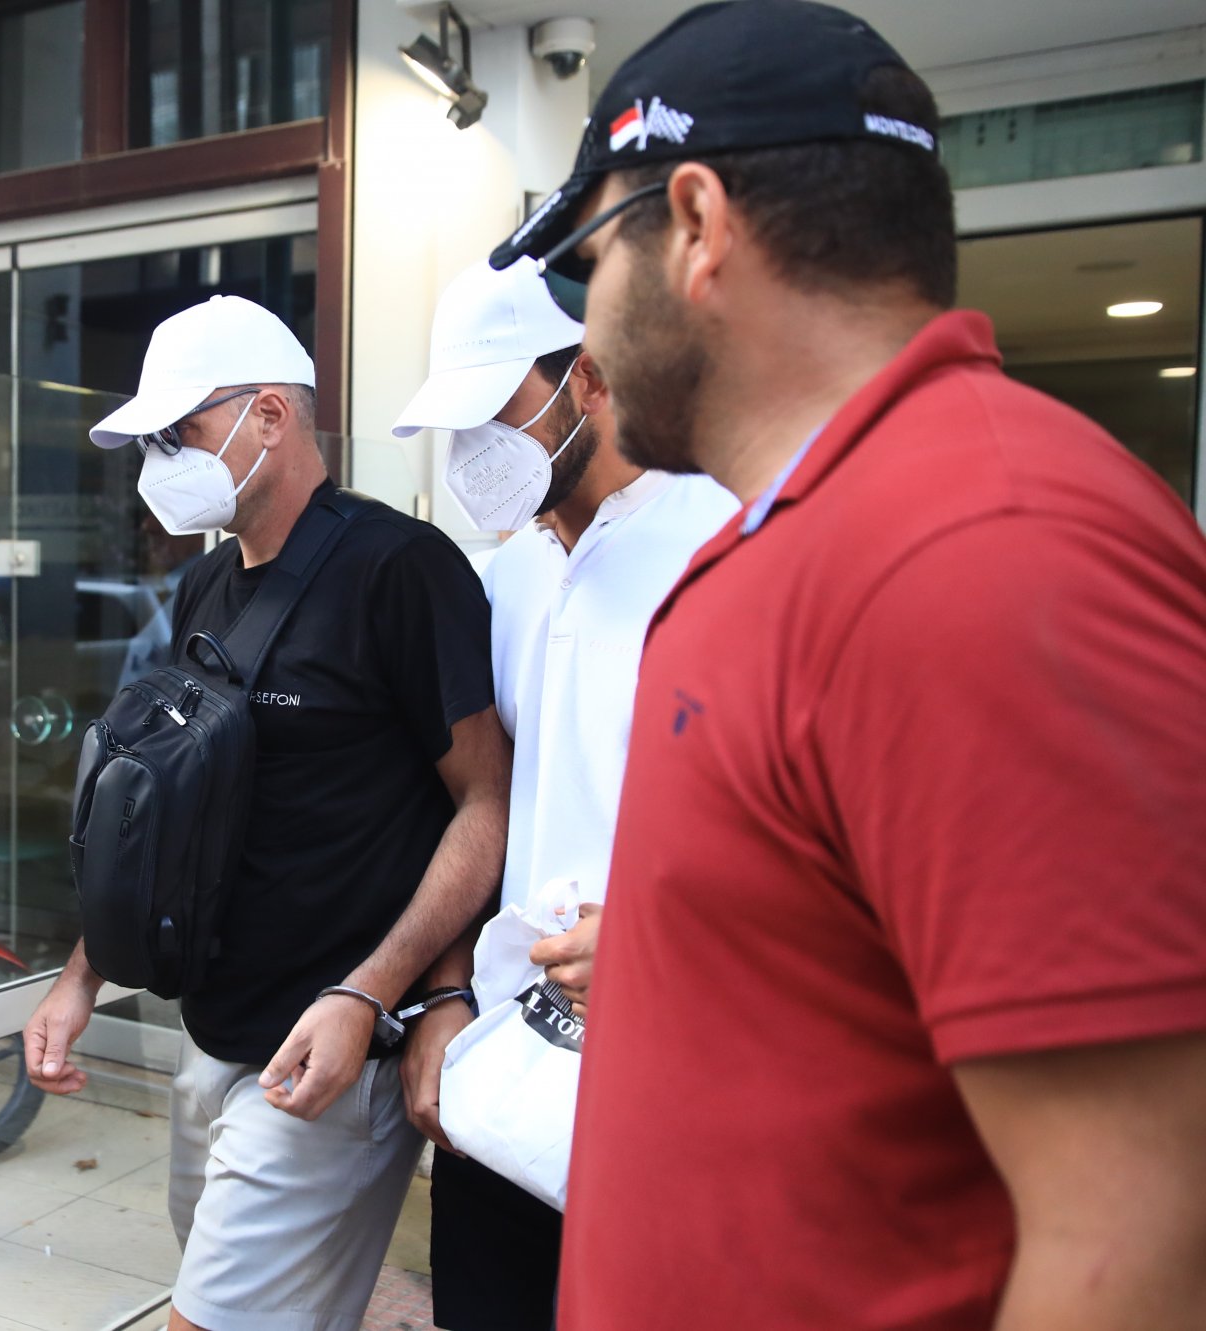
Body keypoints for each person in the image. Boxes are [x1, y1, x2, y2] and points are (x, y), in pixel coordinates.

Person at [489, 2, 1206, 1327]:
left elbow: (1136, 1234)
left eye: (586, 265)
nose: (585, 332)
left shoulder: (979, 550)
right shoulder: (820, 533)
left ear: (694, 225)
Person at [23, 294, 510, 1331]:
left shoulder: (398, 569)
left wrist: (382, 993)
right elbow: (167, 813)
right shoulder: (206, 585)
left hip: (328, 1054)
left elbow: (484, 800)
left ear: (272, 416)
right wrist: (80, 977)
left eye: (181, 432)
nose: (161, 462)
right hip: (212, 1035)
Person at [389, 257, 736, 1329]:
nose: (472, 455)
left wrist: (658, 935)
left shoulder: (728, 543)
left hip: (682, 1084)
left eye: (493, 416)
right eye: (453, 430)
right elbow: (469, 811)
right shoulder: (502, 578)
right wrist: (443, 995)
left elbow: (811, 829)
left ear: (586, 376)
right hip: (504, 1072)